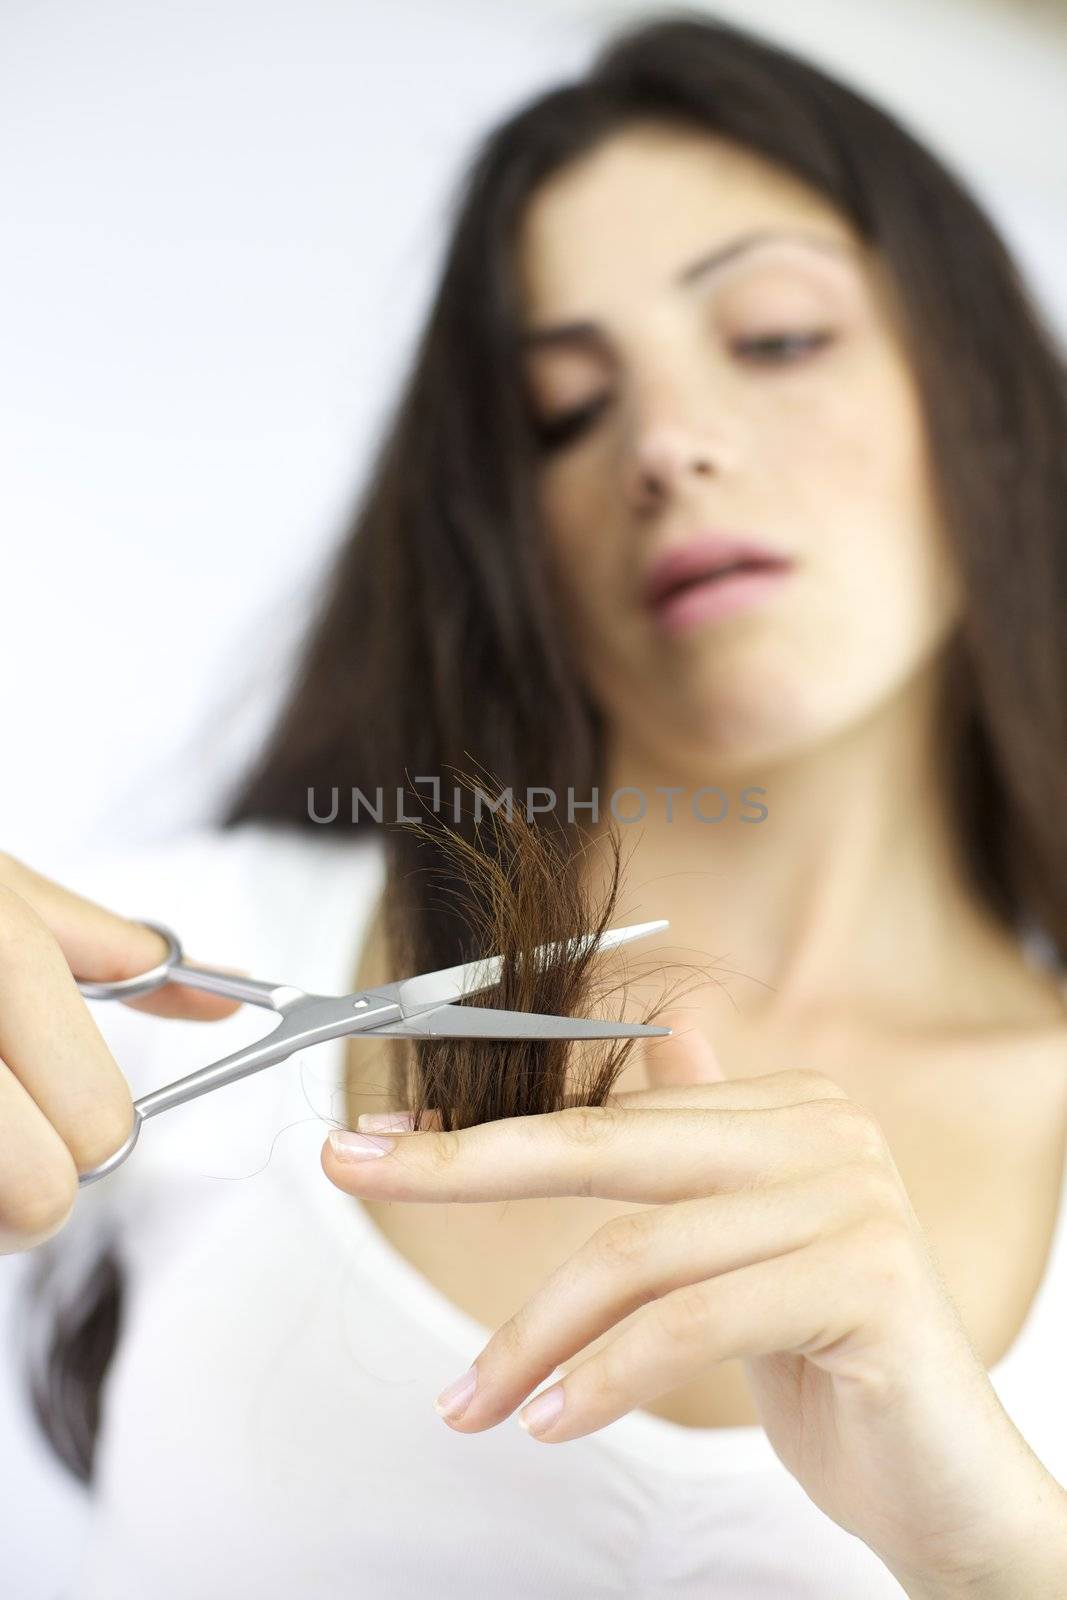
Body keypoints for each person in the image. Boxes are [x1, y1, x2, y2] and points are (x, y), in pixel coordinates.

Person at [8, 13, 1067, 1598]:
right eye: (564, 413)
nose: (668, 444)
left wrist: (994, 1547)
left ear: (977, 388)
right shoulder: (175, 976)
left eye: (776, 336)